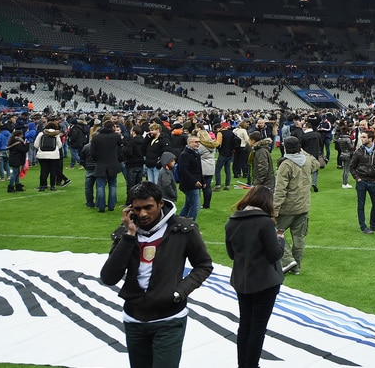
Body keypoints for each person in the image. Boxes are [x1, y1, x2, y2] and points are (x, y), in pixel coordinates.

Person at [100, 181, 213, 368]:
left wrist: (179, 292)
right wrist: (129, 235)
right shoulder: (126, 233)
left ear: (160, 204)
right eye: (137, 209)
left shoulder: (183, 229)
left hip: (169, 319)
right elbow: (109, 277)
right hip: (134, 318)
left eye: (148, 207)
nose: (143, 214)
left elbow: (203, 265)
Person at [225, 185, 286, 368]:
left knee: (245, 325)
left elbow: (231, 254)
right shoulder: (265, 222)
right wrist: (281, 239)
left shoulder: (232, 221)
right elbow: (275, 254)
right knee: (257, 328)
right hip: (264, 283)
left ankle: (243, 364)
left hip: (242, 281)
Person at [274, 135, 313, 274]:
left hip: (288, 207)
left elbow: (280, 189)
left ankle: (289, 260)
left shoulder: (286, 164)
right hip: (303, 205)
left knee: (275, 232)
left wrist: (274, 209)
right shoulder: (307, 160)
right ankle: (296, 267)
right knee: (299, 237)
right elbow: (316, 163)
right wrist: (303, 152)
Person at [349, 129, 375, 235]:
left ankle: (373, 225)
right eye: (362, 137)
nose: (361, 139)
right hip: (362, 180)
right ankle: (363, 226)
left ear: (370, 139)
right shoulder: (359, 152)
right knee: (361, 204)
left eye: (364, 137)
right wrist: (357, 178)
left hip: (373, 181)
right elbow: (352, 166)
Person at [92, 121, 124, 213]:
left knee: (100, 186)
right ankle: (111, 205)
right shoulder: (116, 137)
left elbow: (92, 152)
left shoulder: (96, 137)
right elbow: (120, 149)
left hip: (101, 163)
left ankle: (101, 207)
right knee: (113, 185)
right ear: (112, 127)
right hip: (113, 163)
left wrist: (97, 159)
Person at [177, 135, 204, 221]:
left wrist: (203, 181)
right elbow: (183, 170)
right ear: (189, 143)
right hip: (190, 184)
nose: (198, 144)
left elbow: (199, 169)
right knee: (195, 206)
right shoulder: (184, 155)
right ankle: (191, 226)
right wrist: (194, 181)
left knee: (188, 205)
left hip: (196, 183)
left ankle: (178, 222)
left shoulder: (196, 153)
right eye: (196, 142)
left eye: (199, 142)